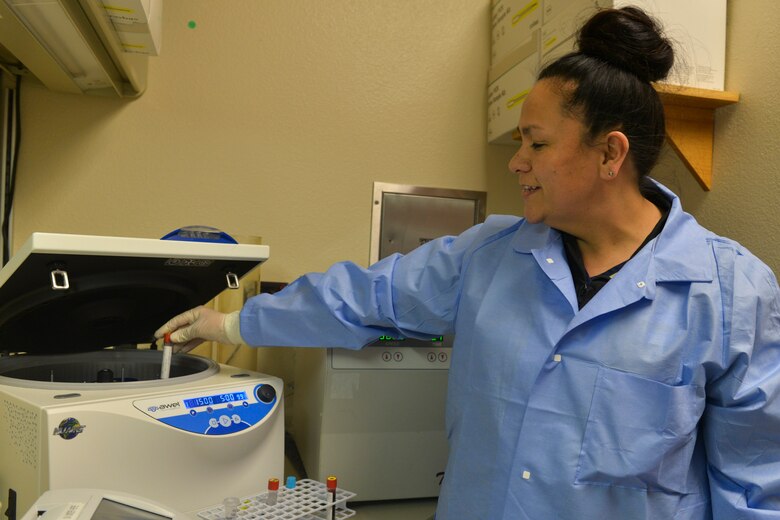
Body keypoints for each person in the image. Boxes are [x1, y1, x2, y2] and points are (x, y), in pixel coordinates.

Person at [156, 7, 780, 519]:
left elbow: (753, 489)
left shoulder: (731, 294)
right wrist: (228, 325)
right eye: (519, 143)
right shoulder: (489, 255)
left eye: (537, 143)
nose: (518, 162)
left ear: (610, 153)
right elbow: (361, 298)